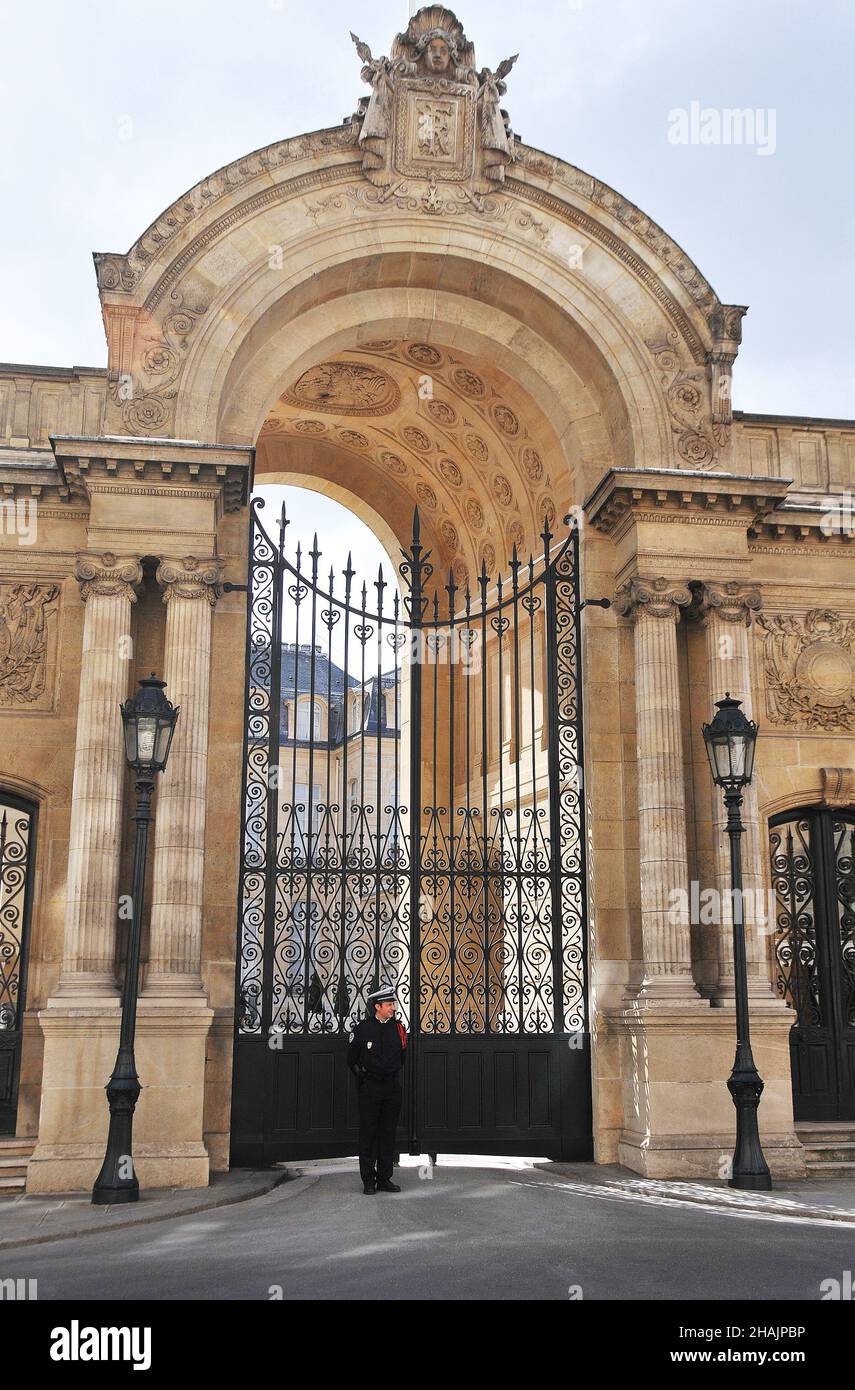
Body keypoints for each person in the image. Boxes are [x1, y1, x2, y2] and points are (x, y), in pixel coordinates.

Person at [347, 983, 407, 1195]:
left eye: (393, 1004)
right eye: (390, 1004)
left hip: (391, 1087)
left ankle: (384, 1178)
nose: (393, 1008)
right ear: (378, 1006)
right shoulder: (363, 1029)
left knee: (388, 1133)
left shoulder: (398, 1028)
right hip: (370, 1088)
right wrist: (363, 1079)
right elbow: (351, 1059)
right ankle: (368, 1180)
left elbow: (402, 1057)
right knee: (369, 1133)